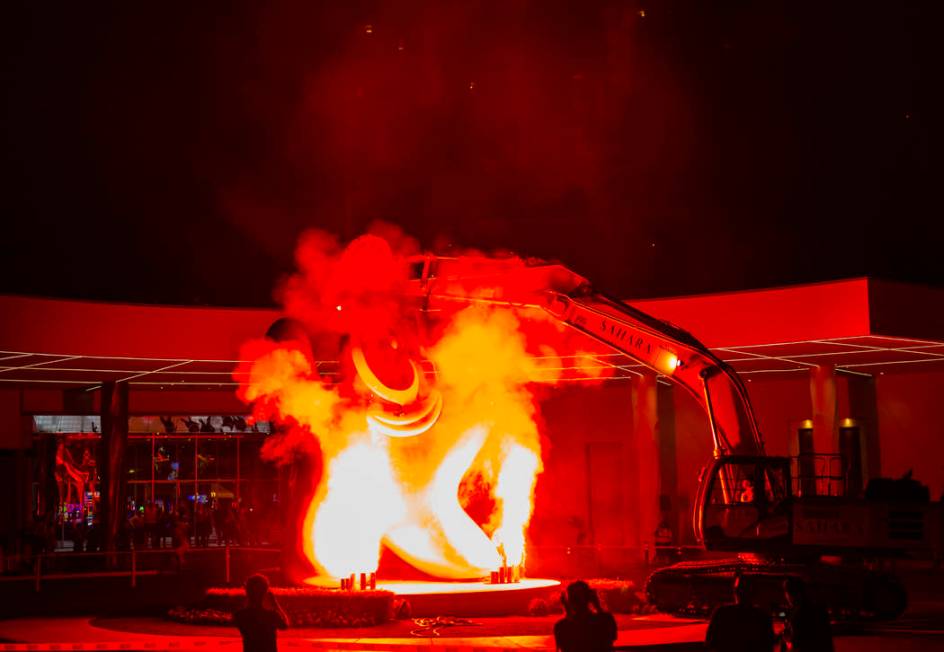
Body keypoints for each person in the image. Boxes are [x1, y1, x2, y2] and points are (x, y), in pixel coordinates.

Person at [705, 574, 776, 652]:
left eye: (738, 590)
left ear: (736, 592)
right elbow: (769, 645)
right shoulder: (763, 616)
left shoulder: (722, 613)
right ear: (754, 592)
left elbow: (710, 642)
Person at [553, 580, 617, 652]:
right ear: (590, 597)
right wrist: (597, 605)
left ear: (568, 601)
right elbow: (609, 641)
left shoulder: (561, 627)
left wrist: (568, 610)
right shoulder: (606, 620)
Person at [234, 574, 288, 652]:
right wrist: (275, 604)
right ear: (265, 592)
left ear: (247, 591)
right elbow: (285, 625)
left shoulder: (240, 615)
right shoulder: (271, 616)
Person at [781, 577, 833, 651]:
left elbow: (798, 643)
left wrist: (788, 639)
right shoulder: (818, 610)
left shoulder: (799, 614)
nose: (786, 597)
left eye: (787, 593)